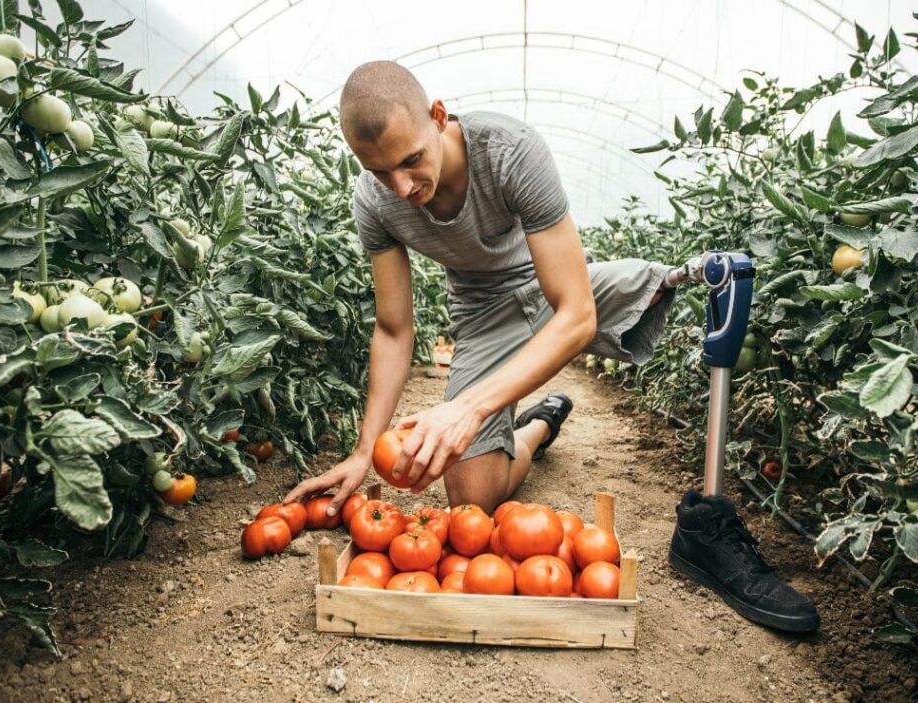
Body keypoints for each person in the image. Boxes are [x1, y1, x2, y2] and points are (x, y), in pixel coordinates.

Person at [283, 60, 819, 633]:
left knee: (679, 281)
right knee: (472, 502)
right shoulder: (374, 202)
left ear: (438, 118)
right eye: (379, 171)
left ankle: (709, 524)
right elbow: (393, 329)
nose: (402, 188)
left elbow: (578, 314)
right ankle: (536, 427)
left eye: (411, 160)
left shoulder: (510, 150)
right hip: (484, 317)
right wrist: (365, 452)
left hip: (556, 290)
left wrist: (466, 407)